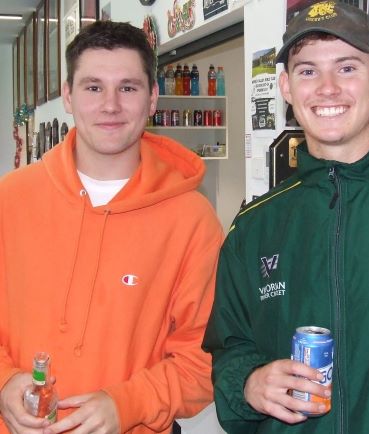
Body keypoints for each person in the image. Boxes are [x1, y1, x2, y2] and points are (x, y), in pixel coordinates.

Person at [203, 1, 369, 433]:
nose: (326, 89)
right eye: (307, 71)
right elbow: (229, 349)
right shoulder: (254, 227)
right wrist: (248, 383)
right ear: (285, 87)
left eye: (346, 68)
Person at [0, 20, 224, 434]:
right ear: (68, 96)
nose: (110, 105)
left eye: (128, 87)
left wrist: (128, 404)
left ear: (153, 97)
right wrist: (5, 381)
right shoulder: (9, 200)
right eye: (92, 87)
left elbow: (207, 358)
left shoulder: (191, 220)